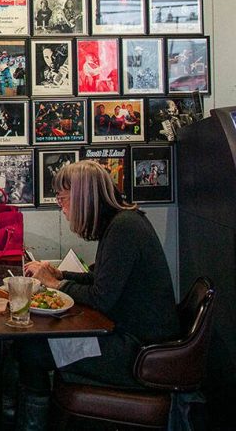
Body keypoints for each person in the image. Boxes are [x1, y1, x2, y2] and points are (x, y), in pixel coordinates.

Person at [15, 160, 179, 430]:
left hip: (137, 350)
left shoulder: (124, 229)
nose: (60, 205)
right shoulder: (123, 221)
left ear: (82, 198)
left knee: (31, 350)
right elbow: (100, 277)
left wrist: (56, 286)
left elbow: (101, 296)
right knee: (31, 346)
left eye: (62, 198)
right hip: (132, 337)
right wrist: (60, 275)